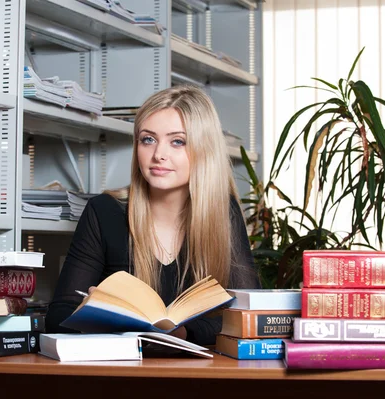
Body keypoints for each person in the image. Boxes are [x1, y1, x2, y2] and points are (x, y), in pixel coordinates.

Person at [45, 85, 260, 346]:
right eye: (148, 139)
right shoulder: (104, 211)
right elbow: (57, 315)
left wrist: (184, 333)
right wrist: (99, 313)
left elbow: (250, 313)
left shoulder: (223, 212)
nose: (159, 154)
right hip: (122, 375)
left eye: (177, 142)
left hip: (199, 376)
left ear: (204, 150)